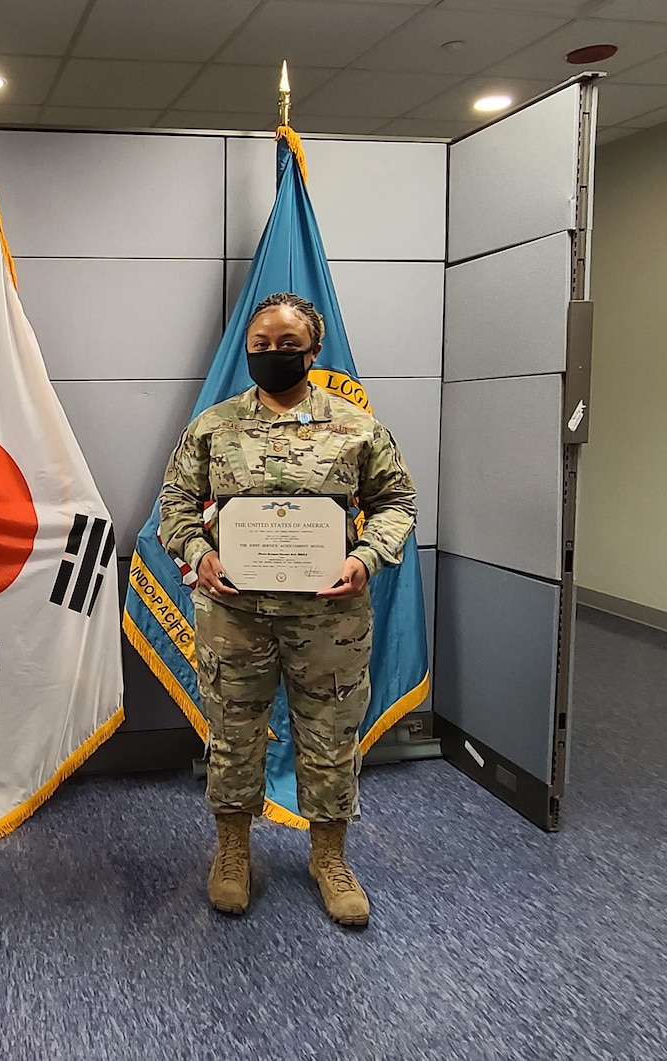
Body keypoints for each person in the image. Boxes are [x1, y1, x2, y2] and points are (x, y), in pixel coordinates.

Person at [157, 291, 417, 927]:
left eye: (288, 345)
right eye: (261, 344)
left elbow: (397, 503)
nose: (273, 354)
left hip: (328, 619)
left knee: (330, 735)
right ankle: (232, 851)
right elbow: (175, 506)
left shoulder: (358, 429)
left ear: (313, 350)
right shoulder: (213, 427)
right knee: (234, 734)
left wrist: (367, 556)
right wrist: (197, 550)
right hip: (233, 612)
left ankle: (329, 856)